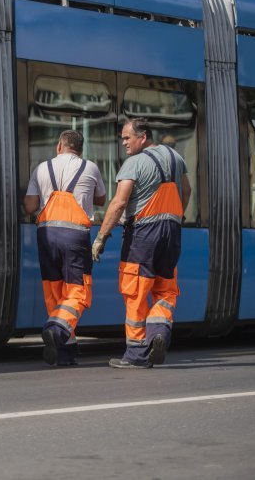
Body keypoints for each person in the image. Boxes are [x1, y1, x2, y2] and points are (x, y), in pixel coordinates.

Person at [92, 118, 191, 369]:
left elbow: (119, 203)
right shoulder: (176, 158)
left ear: (143, 137)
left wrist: (101, 237)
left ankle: (137, 354)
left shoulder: (134, 163)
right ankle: (158, 332)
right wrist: (177, 216)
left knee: (135, 291)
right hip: (172, 231)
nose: (123, 142)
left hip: (142, 233)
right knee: (165, 289)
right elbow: (187, 190)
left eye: (127, 137)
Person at [24, 130, 106, 366]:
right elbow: (100, 199)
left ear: (59, 146)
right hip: (75, 236)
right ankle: (57, 329)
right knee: (77, 290)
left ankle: (65, 351)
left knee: (54, 291)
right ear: (80, 149)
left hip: (46, 234)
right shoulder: (90, 168)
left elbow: (30, 206)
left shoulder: (41, 168)